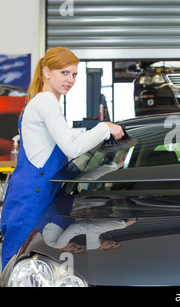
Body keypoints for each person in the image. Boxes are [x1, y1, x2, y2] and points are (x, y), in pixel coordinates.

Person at [1, 47, 124, 269]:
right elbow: (72, 146)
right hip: (32, 198)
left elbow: (67, 144)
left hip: (35, 195)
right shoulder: (46, 101)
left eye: (74, 74)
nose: (71, 80)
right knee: (17, 266)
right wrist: (104, 127)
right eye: (64, 73)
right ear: (47, 72)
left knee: (30, 265)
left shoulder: (43, 102)